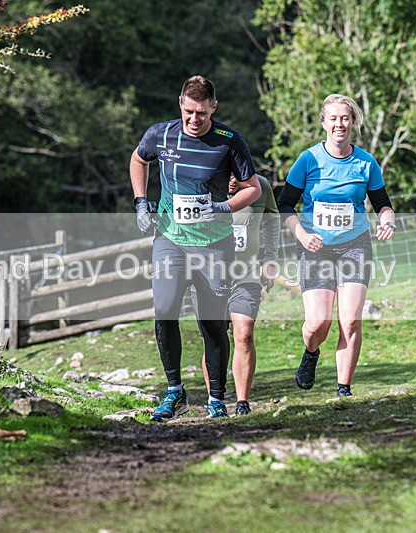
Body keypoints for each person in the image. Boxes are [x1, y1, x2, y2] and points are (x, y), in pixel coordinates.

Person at [130, 75, 262, 420]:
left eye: (201, 113)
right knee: (165, 309)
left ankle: (216, 399)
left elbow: (253, 189)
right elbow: (138, 160)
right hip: (171, 239)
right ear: (180, 104)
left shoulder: (229, 141)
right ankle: (174, 391)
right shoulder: (160, 134)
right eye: (189, 112)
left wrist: (223, 207)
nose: (194, 119)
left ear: (213, 108)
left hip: (215, 244)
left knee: (212, 324)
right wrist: (141, 203)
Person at [277, 93, 395, 398]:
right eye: (334, 118)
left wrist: (387, 221)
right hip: (315, 247)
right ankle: (311, 352)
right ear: (324, 122)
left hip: (355, 244)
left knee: (351, 320)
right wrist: (302, 235)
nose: (339, 124)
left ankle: (344, 389)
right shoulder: (308, 160)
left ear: (352, 122)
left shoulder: (366, 163)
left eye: (345, 118)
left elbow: (383, 204)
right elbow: (285, 205)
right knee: (319, 323)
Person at [199, 174, 279, 415]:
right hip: (208, 276)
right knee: (213, 337)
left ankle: (243, 403)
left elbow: (271, 219)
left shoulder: (259, 186)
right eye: (228, 176)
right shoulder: (201, 184)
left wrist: (270, 258)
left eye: (237, 176)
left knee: (243, 333)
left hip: (246, 274)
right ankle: (216, 400)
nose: (231, 182)